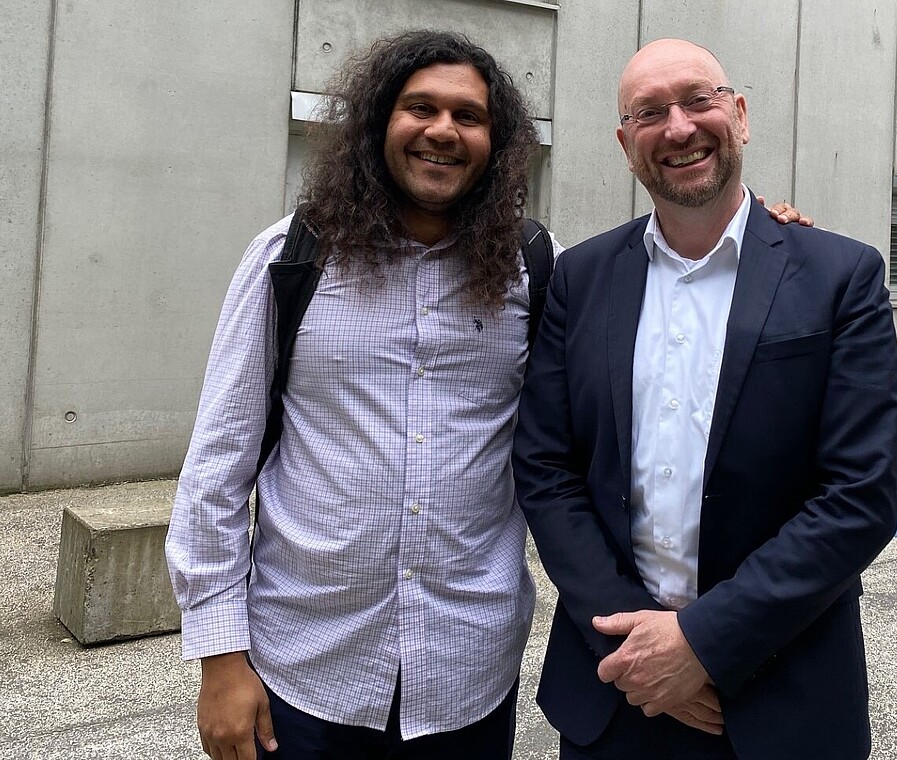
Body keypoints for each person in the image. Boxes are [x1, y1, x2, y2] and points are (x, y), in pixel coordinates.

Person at [166, 29, 810, 760]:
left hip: (465, 677)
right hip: (305, 670)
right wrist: (220, 655)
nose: (443, 131)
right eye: (420, 109)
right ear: (379, 125)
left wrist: (761, 238)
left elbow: (650, 304)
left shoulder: (538, 270)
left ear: (497, 143)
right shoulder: (291, 259)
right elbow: (217, 467)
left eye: (468, 117)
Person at [512, 38, 897, 760]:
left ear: (741, 113)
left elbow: (860, 495)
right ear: (627, 144)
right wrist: (638, 640)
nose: (680, 127)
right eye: (650, 113)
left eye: (699, 99)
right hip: (614, 685)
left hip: (782, 693)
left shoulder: (839, 275)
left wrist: (701, 642)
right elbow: (545, 467)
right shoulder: (580, 277)